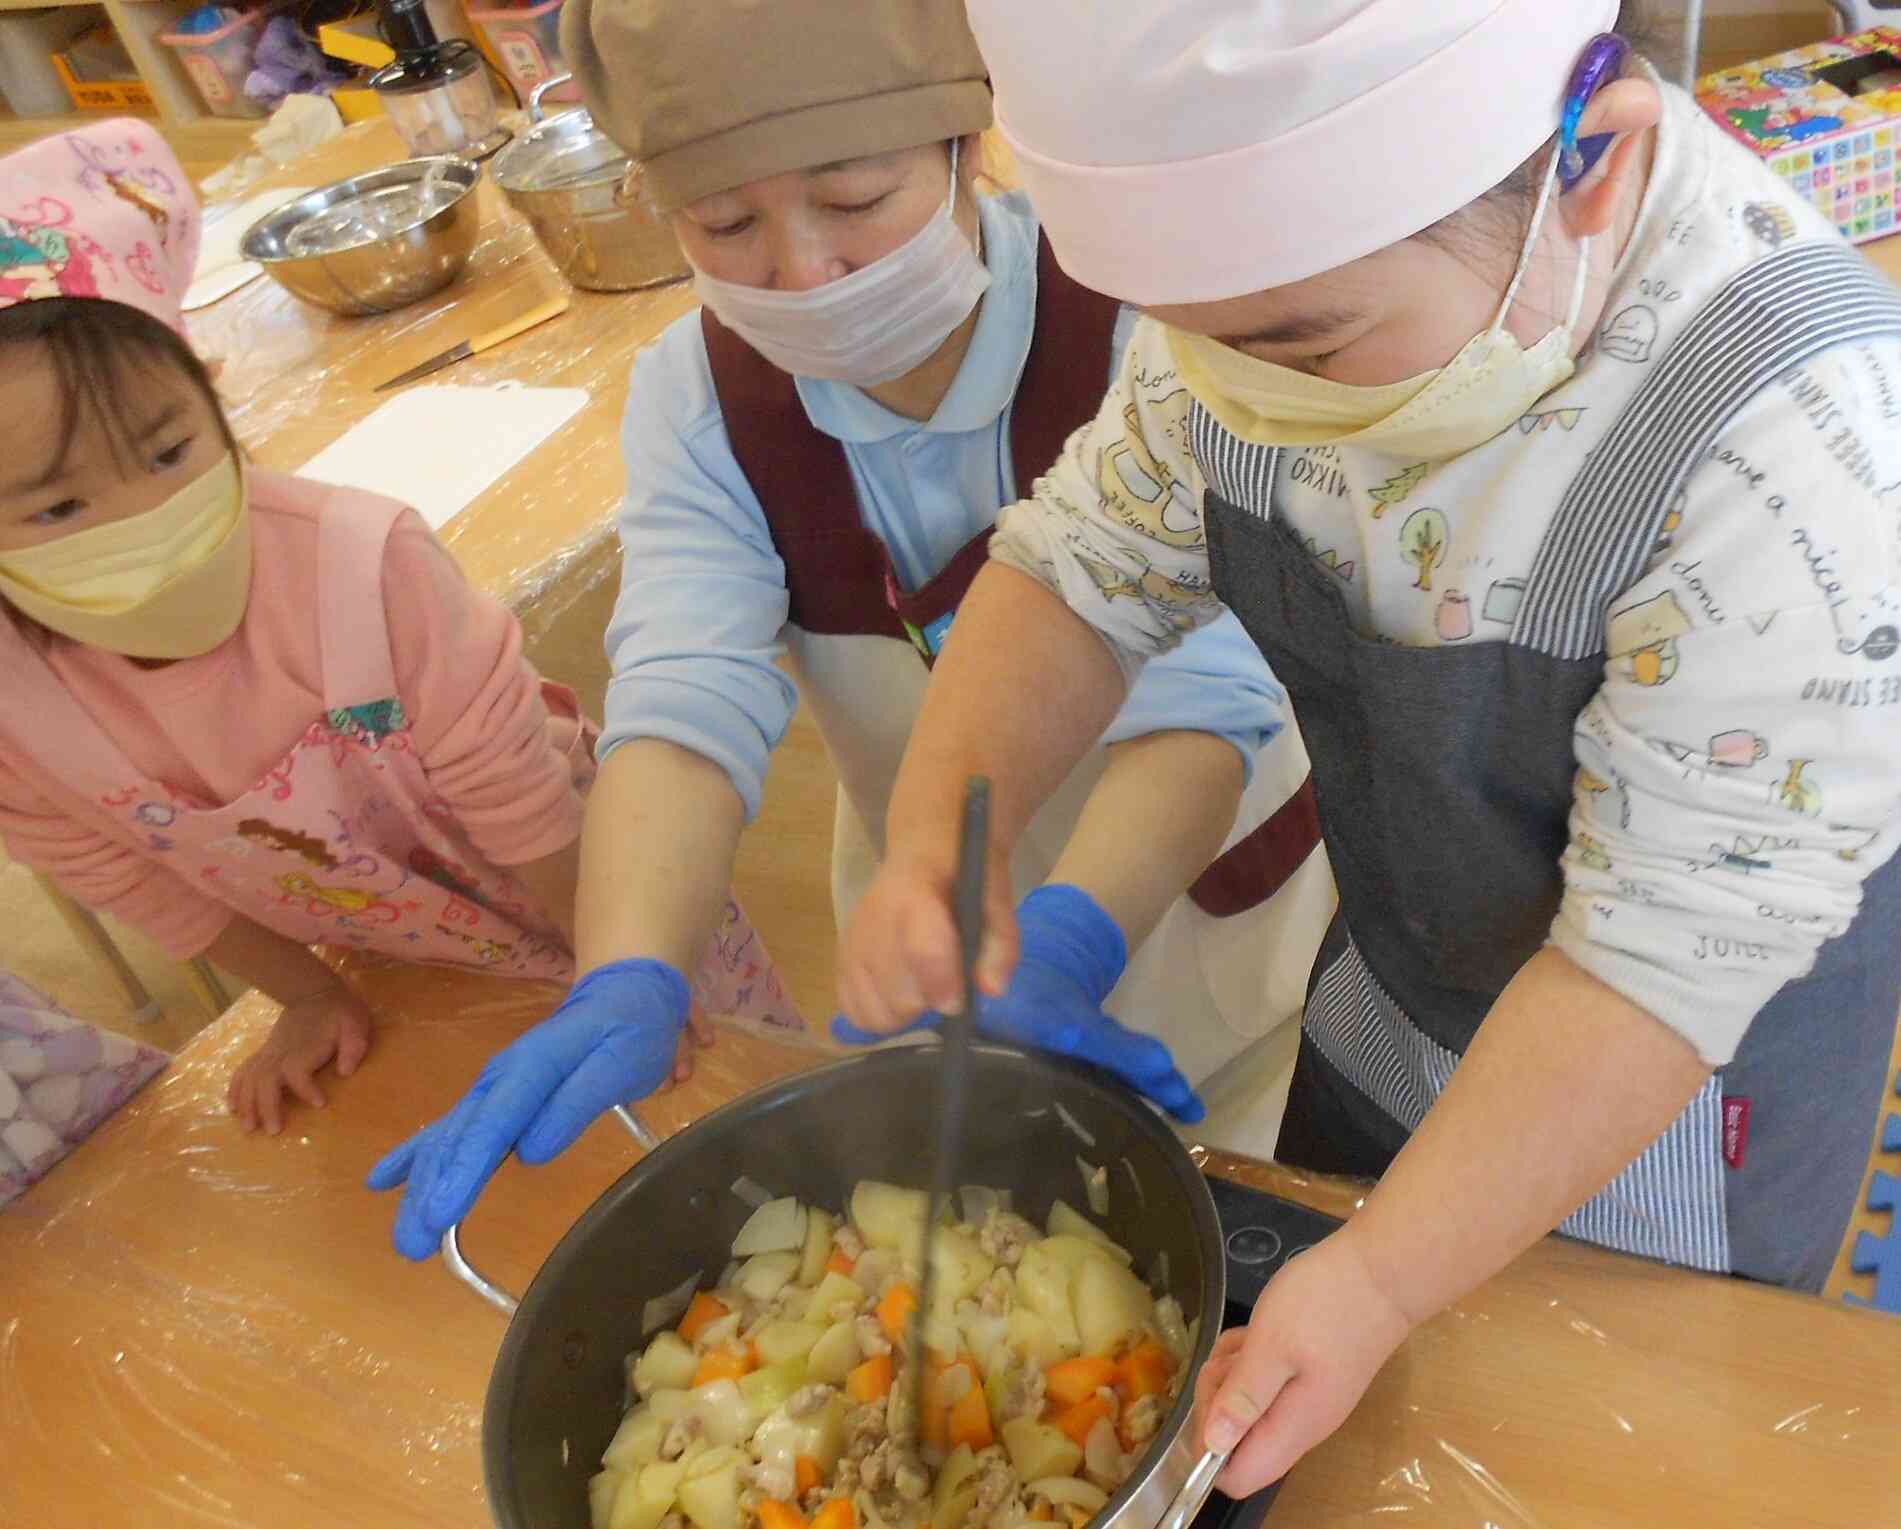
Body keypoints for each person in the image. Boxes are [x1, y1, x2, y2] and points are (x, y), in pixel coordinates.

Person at [837, 0, 1901, 1495]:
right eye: (1190, 337)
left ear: (1590, 163)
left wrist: (1391, 1275)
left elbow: (1659, 958)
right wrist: (943, 840)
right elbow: (1081, 564)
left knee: (1597, 1456)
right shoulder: (1253, 318)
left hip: (1658, 1079)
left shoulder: (1797, 445)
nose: (1233, 388)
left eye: (1301, 344)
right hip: (1399, 970)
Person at [366, 0, 1336, 1261]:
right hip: (922, 924)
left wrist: (1069, 933)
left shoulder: (1139, 324)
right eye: (724, 223)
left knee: (1252, 1205)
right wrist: (628, 965)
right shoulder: (700, 400)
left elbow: (1204, 689)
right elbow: (683, 702)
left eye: (855, 196)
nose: (802, 268)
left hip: (1203, 883)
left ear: (963, 146)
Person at [0, 120, 785, 1138]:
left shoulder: (363, 568)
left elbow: (522, 807)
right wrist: (310, 995)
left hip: (588, 890)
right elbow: (133, 878)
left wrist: (621, 976)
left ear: (213, 397)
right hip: (397, 953)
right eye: (58, 509)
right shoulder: (18, 716)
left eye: (165, 451)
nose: (138, 521)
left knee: (744, 1102)